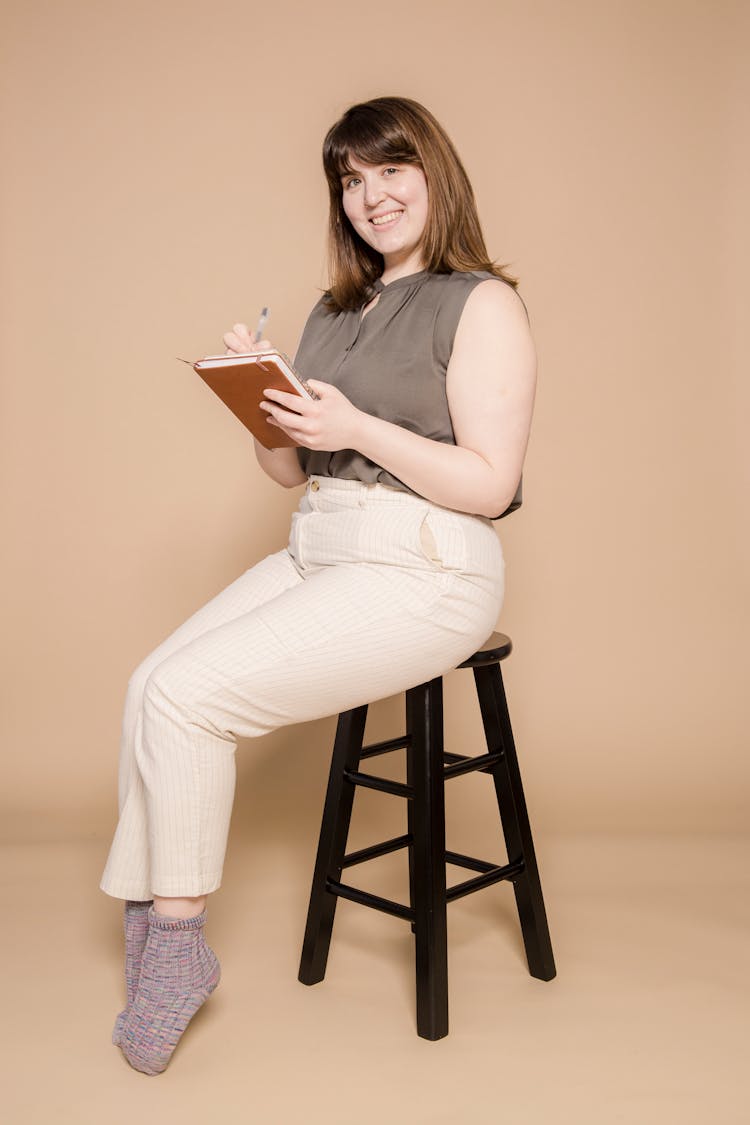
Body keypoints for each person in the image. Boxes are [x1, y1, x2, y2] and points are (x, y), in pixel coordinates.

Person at [100, 95, 536, 1076]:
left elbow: (492, 484)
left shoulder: (482, 300)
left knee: (187, 697)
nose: (371, 196)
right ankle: (153, 924)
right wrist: (264, 405)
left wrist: (358, 430)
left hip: (426, 565)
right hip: (319, 544)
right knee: (147, 689)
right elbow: (292, 474)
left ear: (433, 174)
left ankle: (176, 946)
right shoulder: (334, 310)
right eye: (351, 179)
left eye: (390, 170)